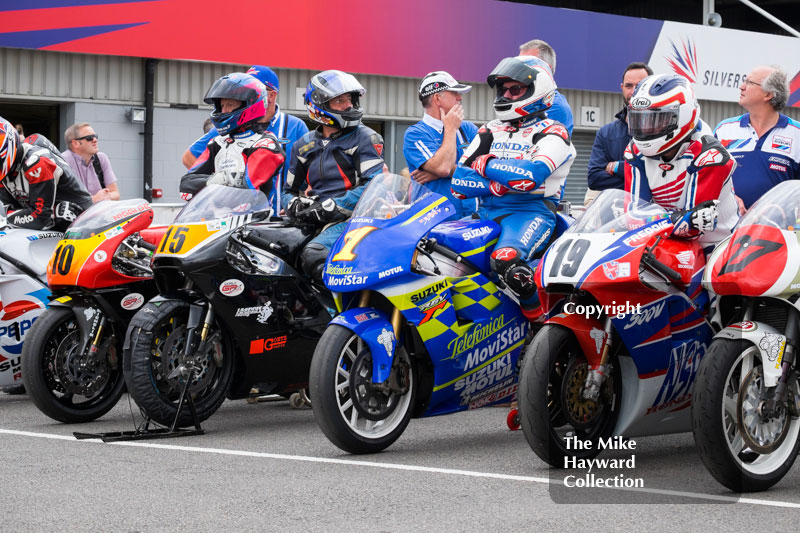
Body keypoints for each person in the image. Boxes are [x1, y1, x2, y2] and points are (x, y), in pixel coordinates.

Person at [451, 56, 575, 320]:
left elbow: (530, 178)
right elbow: (459, 182)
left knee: (506, 260)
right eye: (503, 89)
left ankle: (539, 322)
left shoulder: (554, 131)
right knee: (440, 254)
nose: (506, 95)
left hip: (531, 212)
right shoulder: (491, 129)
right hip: (486, 211)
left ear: (537, 90)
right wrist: (498, 185)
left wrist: (486, 163)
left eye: (515, 89)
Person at [284, 69, 386, 284]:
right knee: (274, 251)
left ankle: (337, 313)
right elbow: (289, 190)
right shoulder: (302, 145)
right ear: (319, 105)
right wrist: (293, 203)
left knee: (314, 254)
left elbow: (374, 185)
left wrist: (332, 207)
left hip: (355, 219)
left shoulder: (366, 137)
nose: (348, 105)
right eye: (339, 101)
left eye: (349, 99)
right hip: (314, 219)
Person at [624, 74, 738, 249]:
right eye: (640, 119)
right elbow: (633, 216)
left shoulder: (710, 155)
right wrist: (679, 220)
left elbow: (694, 229)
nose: (645, 128)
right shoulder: (634, 151)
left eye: (656, 120)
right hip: (664, 241)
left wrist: (659, 221)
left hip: (717, 245)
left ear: (682, 116)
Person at [182, 65, 308, 214]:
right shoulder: (224, 129)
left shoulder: (294, 126)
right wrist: (217, 181)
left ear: (271, 95)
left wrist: (297, 204)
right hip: (226, 216)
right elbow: (189, 158)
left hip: (275, 216)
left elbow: (310, 172)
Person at [179, 72, 285, 199]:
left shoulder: (265, 144)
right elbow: (187, 183)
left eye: (230, 105)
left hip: (253, 215)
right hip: (215, 214)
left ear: (250, 106)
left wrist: (219, 180)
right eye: (222, 105)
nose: (224, 111)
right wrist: (213, 180)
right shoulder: (217, 142)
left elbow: (247, 186)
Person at [714, 65, 800, 213]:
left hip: (776, 231)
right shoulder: (724, 129)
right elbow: (708, 178)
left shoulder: (796, 134)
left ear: (768, 95)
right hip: (729, 231)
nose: (741, 87)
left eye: (749, 83)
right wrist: (729, 198)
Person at [403, 71, 478, 217]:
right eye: (454, 93)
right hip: (435, 222)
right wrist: (450, 128)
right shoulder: (415, 133)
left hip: (473, 219)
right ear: (437, 98)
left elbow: (484, 171)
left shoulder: (468, 129)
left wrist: (440, 174)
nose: (459, 98)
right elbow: (443, 168)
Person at [0, 117, 92, 232]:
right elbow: (7, 211)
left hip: (80, 226)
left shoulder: (37, 162)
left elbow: (41, 218)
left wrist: (7, 218)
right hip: (50, 226)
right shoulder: (4, 174)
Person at [585, 62, 653, 203]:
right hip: (613, 217)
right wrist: (640, 178)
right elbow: (594, 179)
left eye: (640, 85)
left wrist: (616, 166)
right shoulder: (606, 133)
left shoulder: (664, 130)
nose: (634, 91)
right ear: (622, 88)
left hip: (652, 216)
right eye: (629, 86)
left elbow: (660, 176)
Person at [518, 39, 574, 136]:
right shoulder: (528, 100)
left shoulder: (553, 105)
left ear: (546, 68)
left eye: (527, 64)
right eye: (519, 64)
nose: (519, 69)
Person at [62, 123, 120, 203]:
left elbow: (116, 193)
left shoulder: (101, 158)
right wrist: (94, 199)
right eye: (89, 138)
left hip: (100, 213)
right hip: (76, 214)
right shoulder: (63, 162)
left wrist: (105, 196)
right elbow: (62, 199)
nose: (95, 140)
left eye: (95, 136)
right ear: (75, 143)